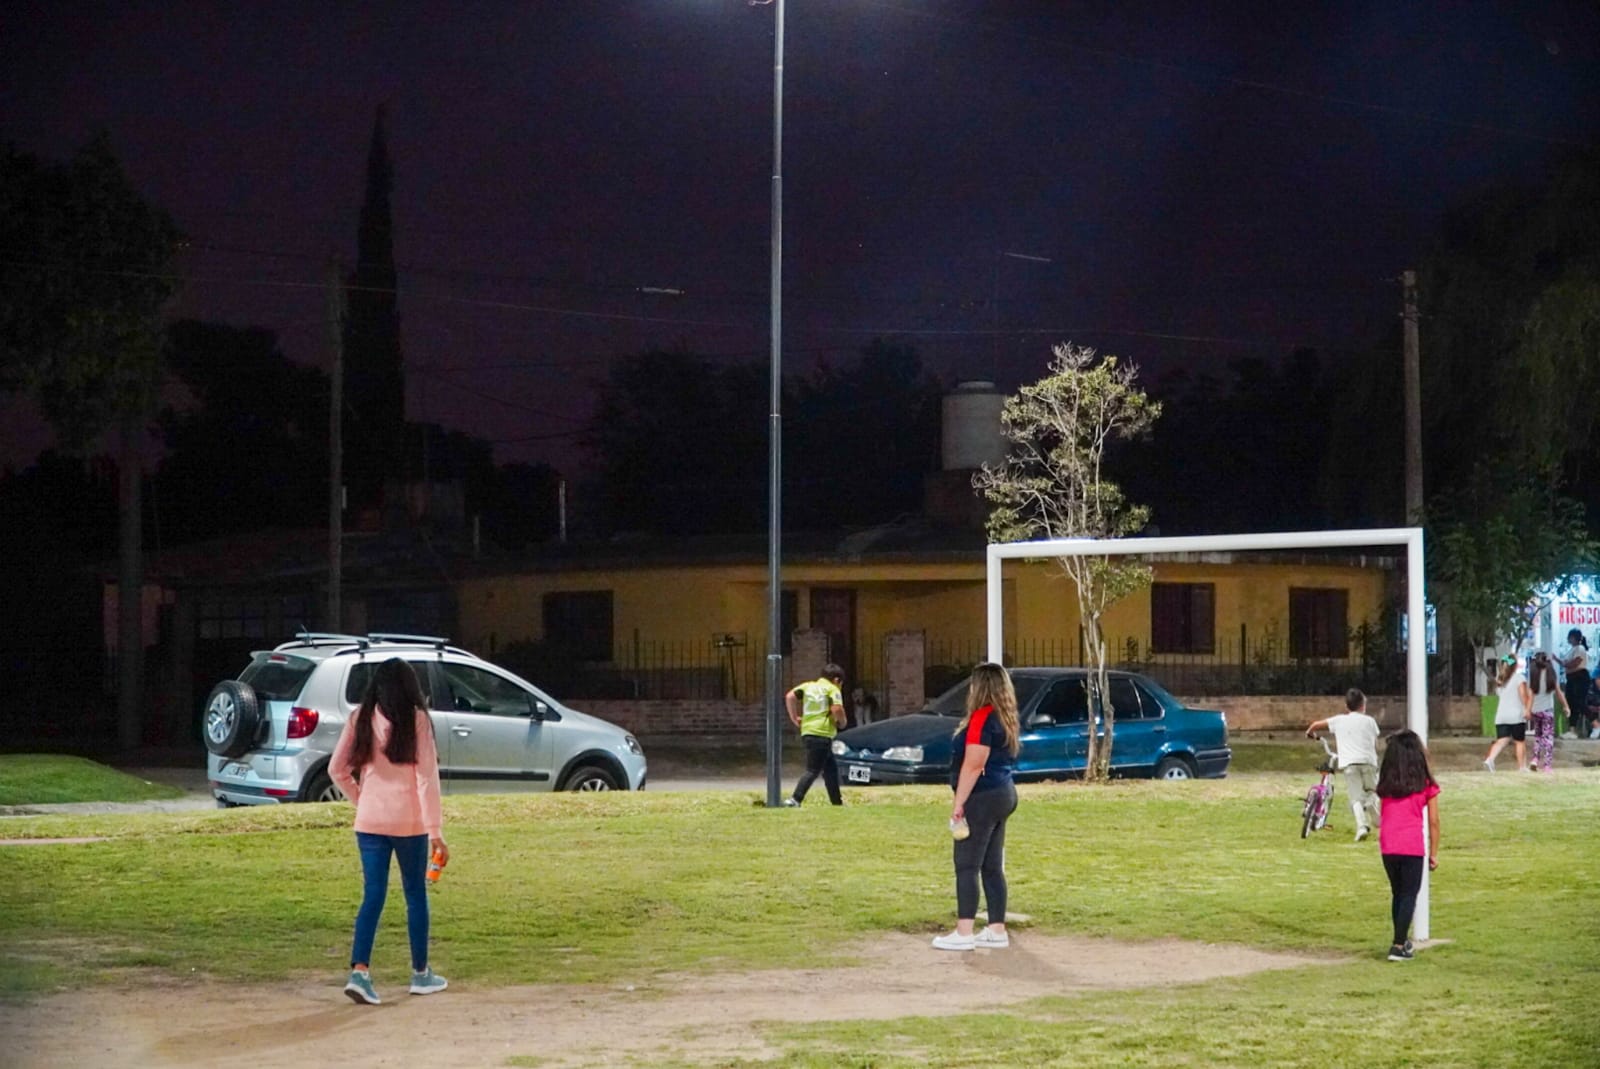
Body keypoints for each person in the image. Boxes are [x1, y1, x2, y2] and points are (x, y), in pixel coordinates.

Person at [329, 658, 449, 1004]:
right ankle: (420, 973)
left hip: (370, 823)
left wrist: (362, 799)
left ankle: (360, 972)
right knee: (415, 895)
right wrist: (435, 831)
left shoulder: (360, 718)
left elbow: (337, 769)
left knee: (373, 895)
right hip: (409, 822)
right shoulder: (417, 720)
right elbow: (426, 778)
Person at [932, 662, 1020, 952]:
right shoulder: (1005, 717)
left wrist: (959, 804)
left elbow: (973, 764)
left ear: (979, 687)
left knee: (967, 864)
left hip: (983, 796)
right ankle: (996, 929)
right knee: (991, 865)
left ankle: (964, 931)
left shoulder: (982, 718)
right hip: (1002, 791)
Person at [1375, 730, 1440, 962]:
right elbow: (1434, 821)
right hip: (1411, 845)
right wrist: (1434, 853)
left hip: (1387, 845)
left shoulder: (1386, 785)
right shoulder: (1425, 785)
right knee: (1409, 894)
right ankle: (1398, 945)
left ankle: (1401, 940)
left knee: (1398, 894)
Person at [1305, 687, 1381, 842]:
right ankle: (1375, 814)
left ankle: (1362, 827)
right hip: (1368, 761)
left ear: (1347, 706)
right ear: (1363, 705)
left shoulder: (1339, 720)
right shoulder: (1370, 721)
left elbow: (1316, 725)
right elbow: (1375, 742)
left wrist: (1310, 733)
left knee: (1355, 797)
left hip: (1349, 763)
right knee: (1372, 790)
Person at [783, 663, 847, 806]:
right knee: (812, 770)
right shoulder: (832, 689)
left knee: (831, 770)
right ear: (837, 680)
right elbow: (837, 709)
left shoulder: (808, 686)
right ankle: (795, 799)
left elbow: (790, 697)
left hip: (808, 731)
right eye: (841, 684)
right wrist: (843, 723)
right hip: (822, 733)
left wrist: (794, 718)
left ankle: (837, 802)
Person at [1483, 652, 1531, 772]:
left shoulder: (1500, 680)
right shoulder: (1519, 678)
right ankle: (1522, 767)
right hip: (1516, 715)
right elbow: (1523, 696)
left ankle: (1490, 759)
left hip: (1501, 715)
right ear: (1515, 665)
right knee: (1519, 741)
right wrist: (1527, 709)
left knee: (1502, 740)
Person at [1527, 651, 1570, 772]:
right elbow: (1559, 693)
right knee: (1548, 738)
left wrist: (1528, 710)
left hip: (1536, 711)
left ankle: (1535, 759)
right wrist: (1566, 706)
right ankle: (1547, 765)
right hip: (1547, 711)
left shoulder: (1533, 676)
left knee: (1538, 736)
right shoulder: (1551, 676)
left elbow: (1530, 695)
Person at [1563, 629, 1595, 739]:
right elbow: (1566, 664)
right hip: (1571, 678)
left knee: (1580, 702)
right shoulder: (1571, 650)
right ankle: (1572, 729)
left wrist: (1567, 664)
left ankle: (1596, 724)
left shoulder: (1580, 649)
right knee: (1571, 703)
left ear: (1573, 637)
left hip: (1579, 678)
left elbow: (1574, 663)